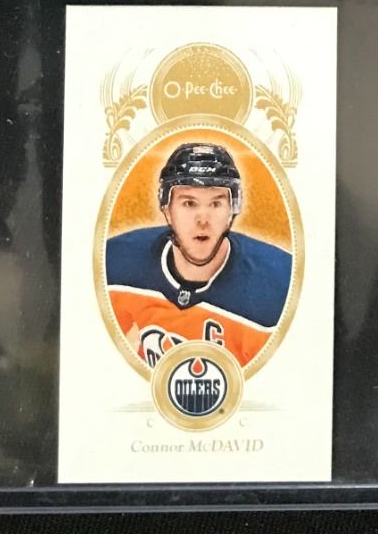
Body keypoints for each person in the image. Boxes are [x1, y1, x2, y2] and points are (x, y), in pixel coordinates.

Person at [105, 142, 292, 369]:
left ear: (232, 210)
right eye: (189, 203)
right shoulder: (114, 262)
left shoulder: (281, 286)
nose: (203, 220)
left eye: (216, 203)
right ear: (167, 208)